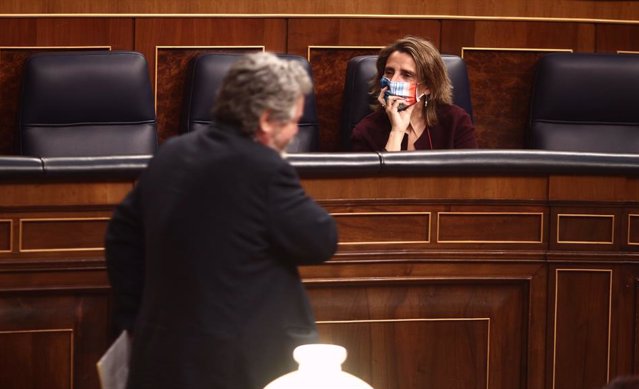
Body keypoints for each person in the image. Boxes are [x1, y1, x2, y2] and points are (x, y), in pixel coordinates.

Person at [105, 52, 338, 389]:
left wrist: (136, 317)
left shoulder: (172, 153)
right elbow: (321, 240)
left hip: (162, 357)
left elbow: (120, 238)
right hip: (239, 366)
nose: (292, 133)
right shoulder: (263, 168)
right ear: (267, 120)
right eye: (292, 122)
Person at [350, 36, 478, 152]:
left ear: (428, 86)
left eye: (407, 75)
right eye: (389, 72)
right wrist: (397, 132)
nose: (393, 80)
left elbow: (471, 175)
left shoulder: (456, 121)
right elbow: (377, 179)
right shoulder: (366, 130)